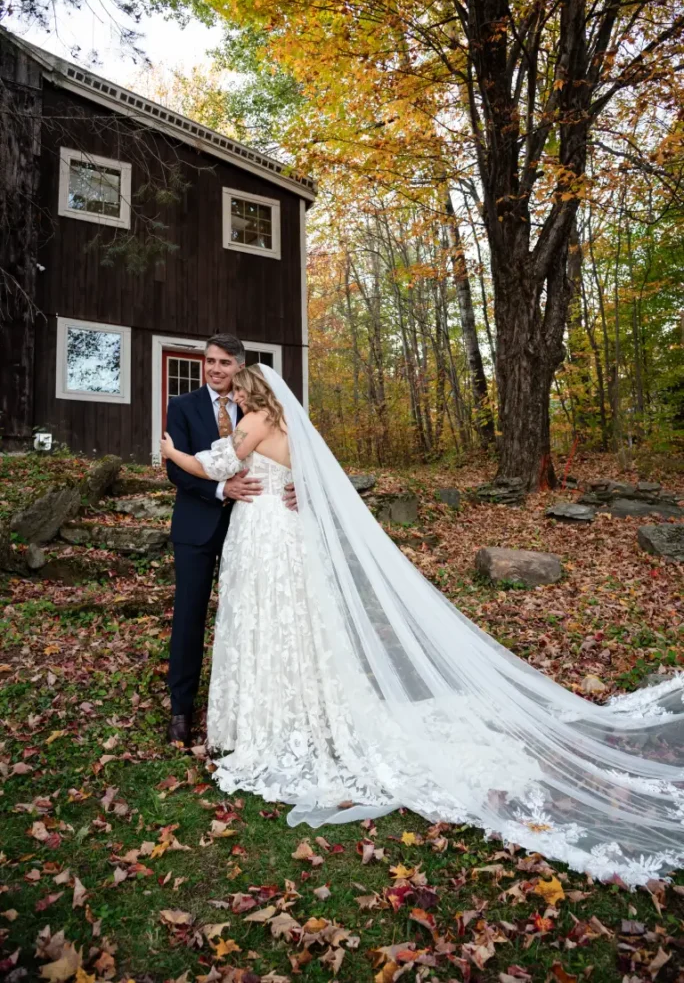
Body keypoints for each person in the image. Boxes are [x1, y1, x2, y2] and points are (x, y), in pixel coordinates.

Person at [161, 364, 684, 886]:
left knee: (272, 619)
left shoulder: (253, 422)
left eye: (239, 388)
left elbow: (214, 465)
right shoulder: (289, 425)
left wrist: (171, 452)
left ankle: (277, 720)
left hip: (268, 536)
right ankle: (296, 709)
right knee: (295, 623)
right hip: (285, 534)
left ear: (253, 391)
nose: (234, 394)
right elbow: (314, 475)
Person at [164, 334, 294, 747]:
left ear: (240, 366)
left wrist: (303, 487)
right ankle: (181, 710)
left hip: (257, 529)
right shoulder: (181, 406)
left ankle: (255, 703)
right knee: (189, 616)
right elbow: (177, 472)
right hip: (198, 526)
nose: (215, 369)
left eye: (223, 362)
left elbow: (305, 458)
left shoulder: (261, 407)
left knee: (259, 613)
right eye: (209, 361)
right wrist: (223, 490)